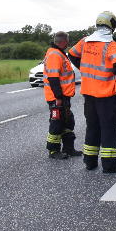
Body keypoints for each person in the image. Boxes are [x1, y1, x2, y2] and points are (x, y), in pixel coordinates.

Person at [68, 11, 116, 173]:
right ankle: (110, 165)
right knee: (110, 129)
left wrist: (84, 69)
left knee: (92, 127)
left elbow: (71, 54)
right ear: (112, 25)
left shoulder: (85, 41)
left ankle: (90, 161)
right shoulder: (111, 44)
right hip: (107, 96)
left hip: (89, 94)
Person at [43, 31, 80, 159]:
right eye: (68, 41)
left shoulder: (59, 53)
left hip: (64, 96)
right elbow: (53, 78)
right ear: (64, 41)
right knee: (57, 123)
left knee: (68, 121)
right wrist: (58, 97)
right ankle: (53, 151)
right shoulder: (55, 55)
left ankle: (69, 149)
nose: (68, 44)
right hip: (57, 98)